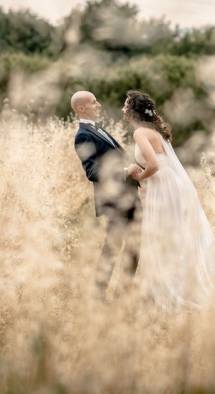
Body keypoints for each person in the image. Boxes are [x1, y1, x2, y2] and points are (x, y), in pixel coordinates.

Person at [122, 90, 215, 311]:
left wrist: (137, 174)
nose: (123, 107)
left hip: (164, 186)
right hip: (172, 184)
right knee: (177, 232)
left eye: (126, 104)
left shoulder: (140, 133)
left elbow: (154, 165)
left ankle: (175, 288)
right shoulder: (153, 130)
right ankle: (184, 283)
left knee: (166, 233)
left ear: (132, 110)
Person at [71, 91, 143, 302]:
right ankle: (98, 294)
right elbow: (92, 172)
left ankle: (124, 291)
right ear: (81, 108)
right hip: (114, 201)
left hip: (128, 196)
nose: (99, 104)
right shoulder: (83, 135)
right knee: (113, 246)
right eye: (93, 102)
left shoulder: (98, 129)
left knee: (134, 244)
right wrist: (124, 171)